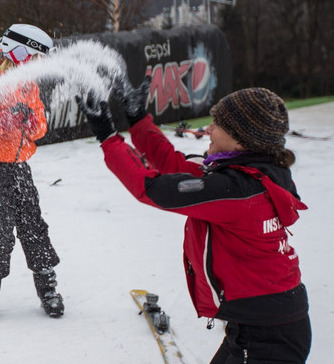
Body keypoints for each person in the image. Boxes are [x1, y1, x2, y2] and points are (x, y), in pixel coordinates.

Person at [79, 84, 311, 363]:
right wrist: (138, 119)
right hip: (263, 324)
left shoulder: (238, 191)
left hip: (267, 337)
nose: (209, 129)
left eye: (219, 124)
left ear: (241, 140)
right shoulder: (253, 174)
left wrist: (107, 135)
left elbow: (153, 188)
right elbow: (173, 165)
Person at [0, 24, 64, 321]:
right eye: (33, 59)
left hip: (19, 165)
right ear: (18, 54)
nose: (35, 67)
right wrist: (4, 120)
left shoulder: (28, 86)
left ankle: (48, 287)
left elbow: (40, 127)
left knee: (33, 226)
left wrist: (33, 124)